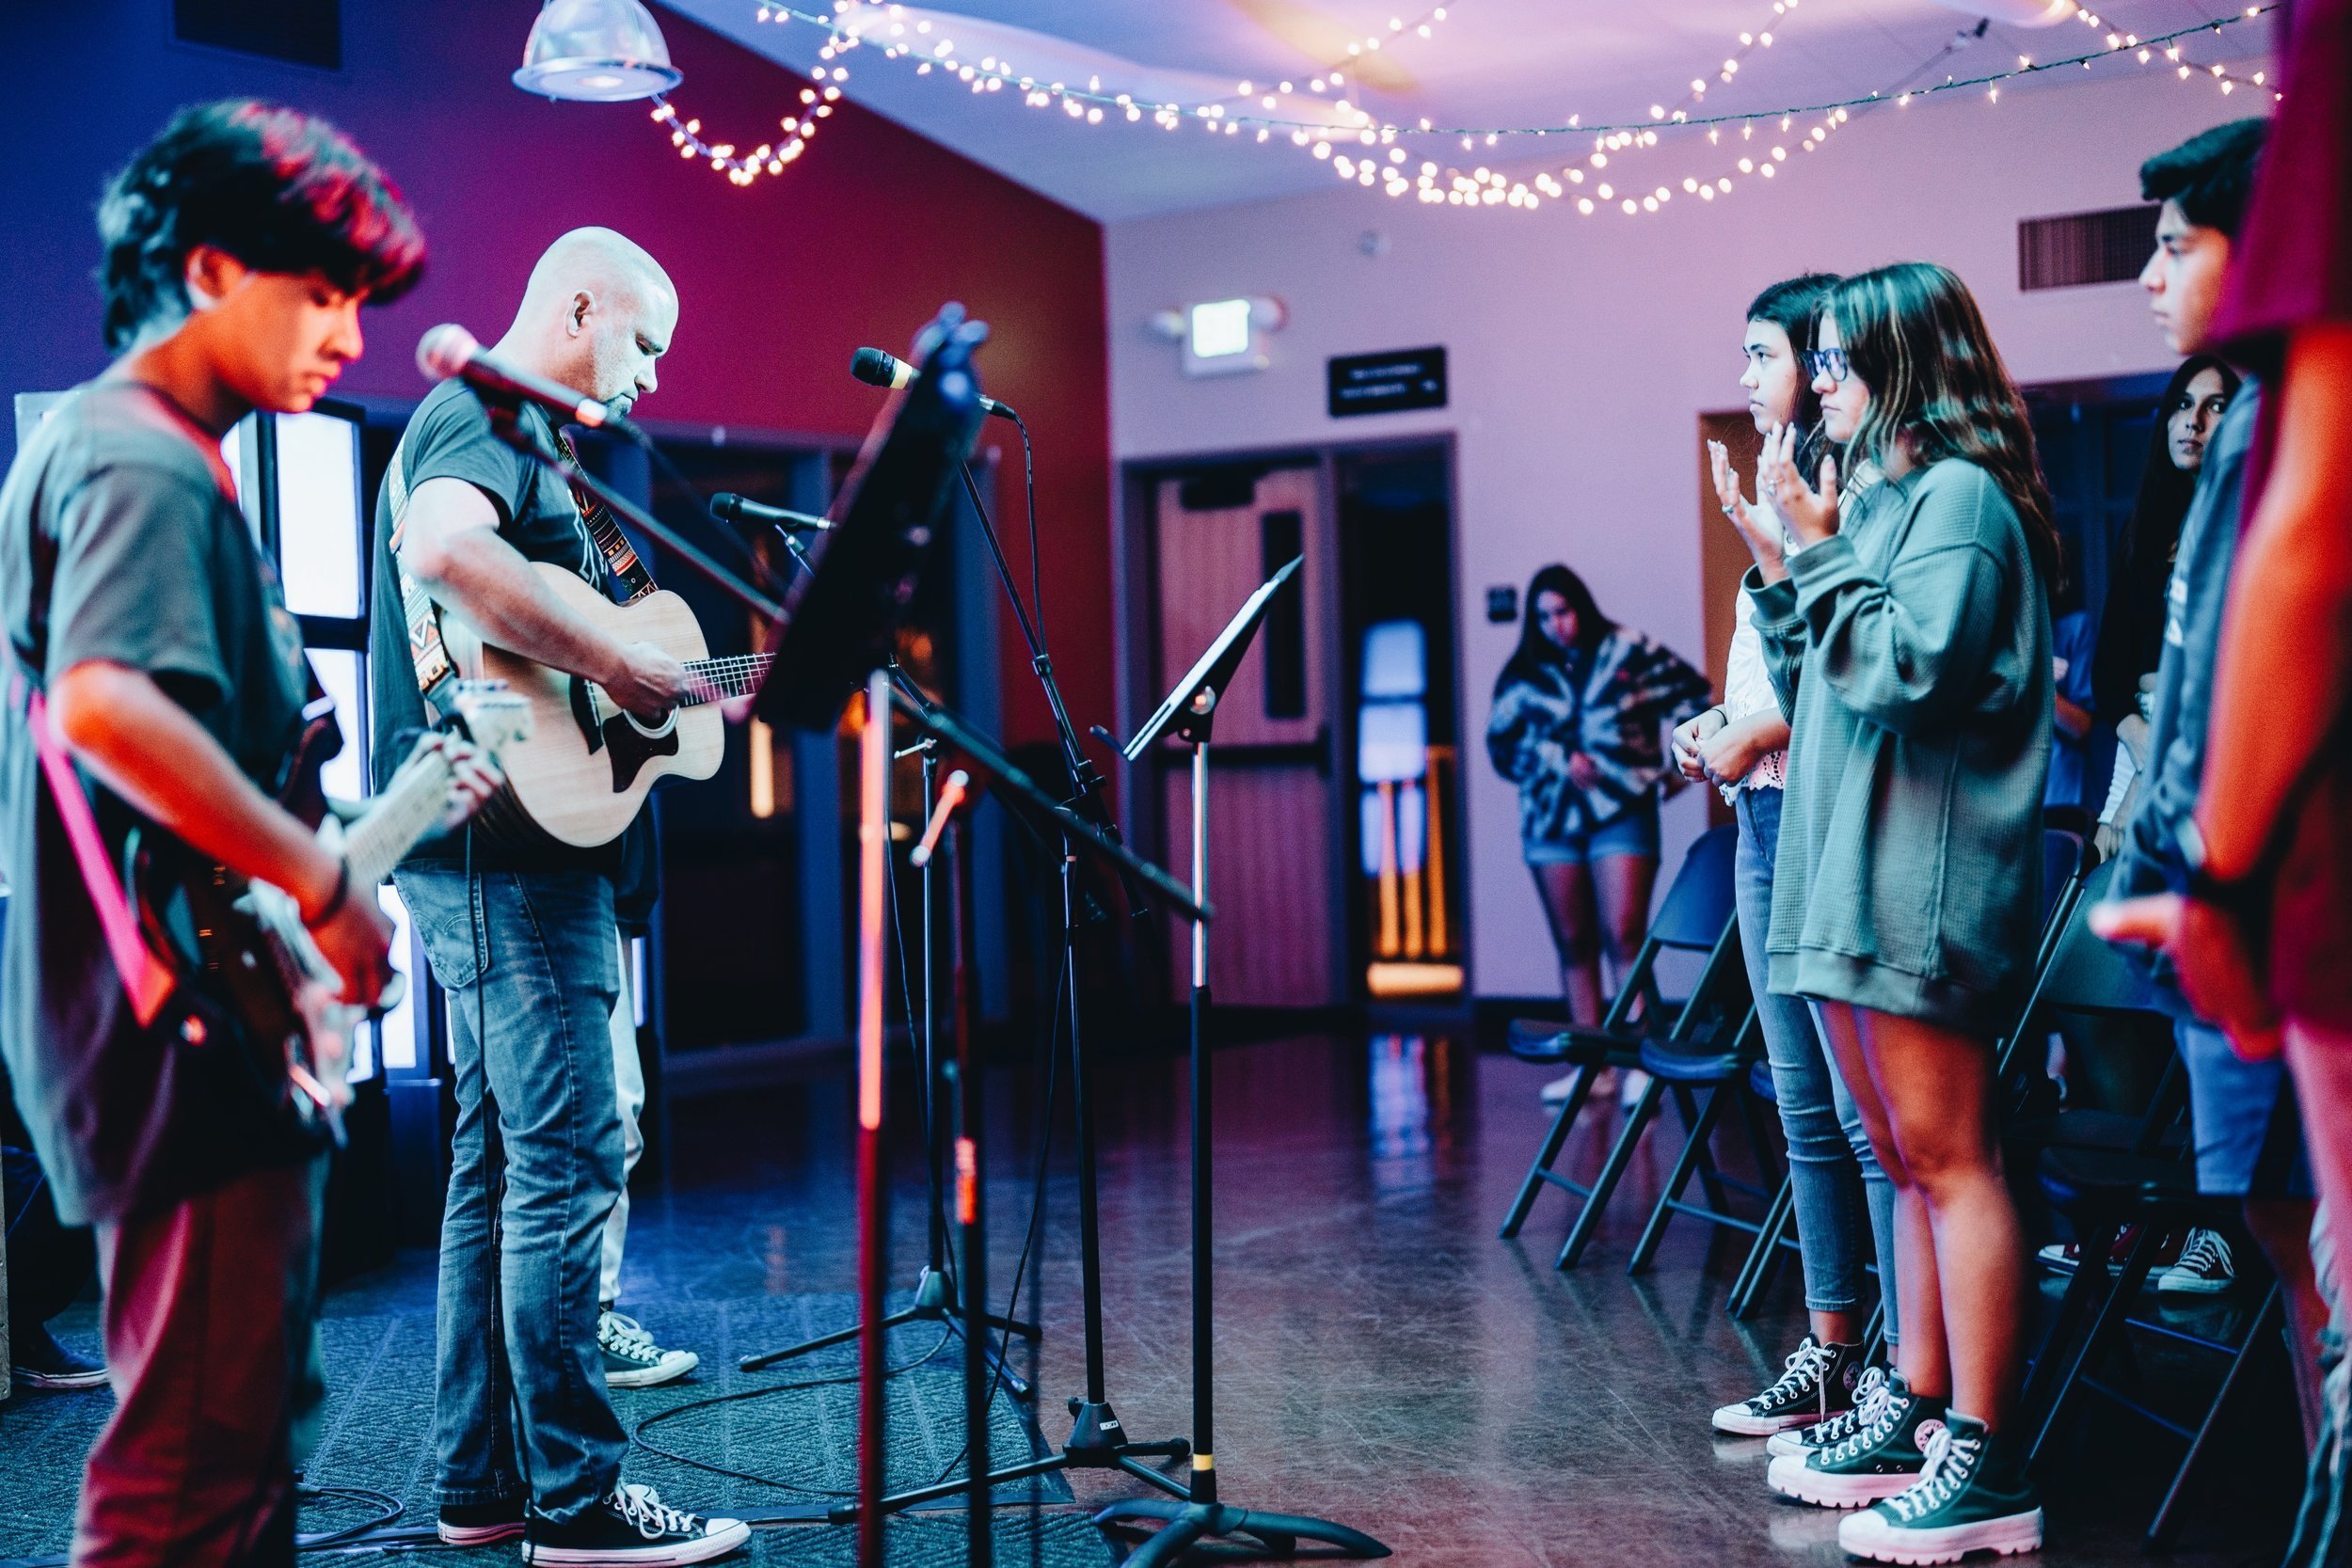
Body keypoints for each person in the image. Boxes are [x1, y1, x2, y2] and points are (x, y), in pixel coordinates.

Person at [0, 100, 478, 1566]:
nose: (349, 336)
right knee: (188, 1475)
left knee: (232, 1440)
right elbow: (106, 708)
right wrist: (328, 877)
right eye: (322, 294)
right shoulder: (140, 458)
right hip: (173, 1039)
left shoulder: (130, 447)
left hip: (181, 1024)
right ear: (210, 270)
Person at [373, 229, 743, 1562]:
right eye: (642, 339)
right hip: (510, 860)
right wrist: (621, 662)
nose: (649, 372)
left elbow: (649, 674)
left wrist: (683, 675)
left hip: (496, 847)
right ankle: (580, 1503)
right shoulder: (481, 415)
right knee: (572, 1162)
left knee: (497, 1166)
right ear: (579, 300)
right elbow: (447, 552)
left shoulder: (542, 449)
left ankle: (482, 1485)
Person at [1739, 262, 2055, 1561]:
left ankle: (1983, 1452)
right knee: (1902, 1157)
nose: (1820, 383)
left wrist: (1816, 546)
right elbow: (1833, 669)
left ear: (1903, 363)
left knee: (1951, 1154)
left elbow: (1914, 674)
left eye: (1836, 360)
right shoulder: (1886, 497)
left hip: (1915, 874)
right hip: (1843, 867)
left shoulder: (1963, 500)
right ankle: (1915, 1404)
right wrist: (1783, 560)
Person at [2090, 3, 2352, 1557]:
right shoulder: (2234, 423)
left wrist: (2214, 874)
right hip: (2241, 894)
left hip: (2276, 899)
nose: (2148, 278)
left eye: (2174, 246)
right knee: (2278, 1225)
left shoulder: (2287, 411)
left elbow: (2291, 593)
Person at [1681, 272, 1903, 1440]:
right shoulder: (1778, 480)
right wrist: (1720, 727)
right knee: (1802, 1106)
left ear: (1822, 364)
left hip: (1820, 812)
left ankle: (1897, 1368)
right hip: (1760, 815)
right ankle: (1826, 1350)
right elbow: (1769, 656)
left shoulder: (1845, 482)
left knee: (1866, 1117)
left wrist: (1754, 732)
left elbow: (1847, 665)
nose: (1748, 375)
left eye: (1764, 353)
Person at [1487, 563, 1708, 1095]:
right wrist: (1555, 757)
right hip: (1550, 820)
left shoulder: (1628, 650)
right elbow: (1500, 746)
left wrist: (1672, 771)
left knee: (1625, 933)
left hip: (1622, 811)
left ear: (1580, 606)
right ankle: (1593, 1070)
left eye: (1562, 611)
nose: (1554, 625)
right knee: (1573, 942)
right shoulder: (1524, 672)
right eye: (1542, 617)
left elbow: (1697, 698)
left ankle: (1640, 1063)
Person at [2086, 353, 2240, 857]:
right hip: (2139, 740)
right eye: (2182, 404)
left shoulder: (2242, 524)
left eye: (2214, 406)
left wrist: (2150, 775)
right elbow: (2109, 672)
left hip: (2205, 740)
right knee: (2107, 882)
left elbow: (2223, 672)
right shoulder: (2145, 531)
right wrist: (2142, 758)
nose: (2193, 421)